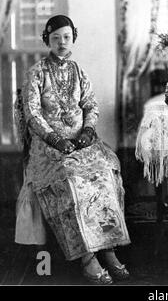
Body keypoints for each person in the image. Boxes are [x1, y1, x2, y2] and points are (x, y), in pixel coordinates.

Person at [14, 15, 131, 285]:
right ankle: (88, 257)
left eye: (66, 37)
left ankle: (109, 250)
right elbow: (32, 114)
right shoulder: (37, 72)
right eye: (55, 38)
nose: (62, 43)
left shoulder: (79, 71)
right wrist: (55, 139)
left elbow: (90, 105)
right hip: (50, 148)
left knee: (104, 172)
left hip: (82, 142)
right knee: (72, 180)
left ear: (73, 37)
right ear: (47, 40)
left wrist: (88, 131)